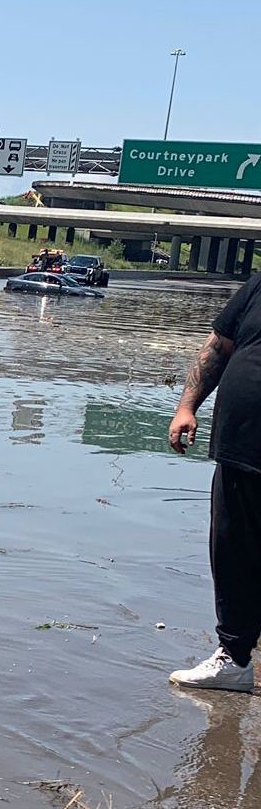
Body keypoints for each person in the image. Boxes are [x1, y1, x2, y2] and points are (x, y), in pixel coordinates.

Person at [169, 275, 261, 691]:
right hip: (241, 442)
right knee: (231, 549)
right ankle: (235, 658)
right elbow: (218, 346)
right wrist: (187, 406)